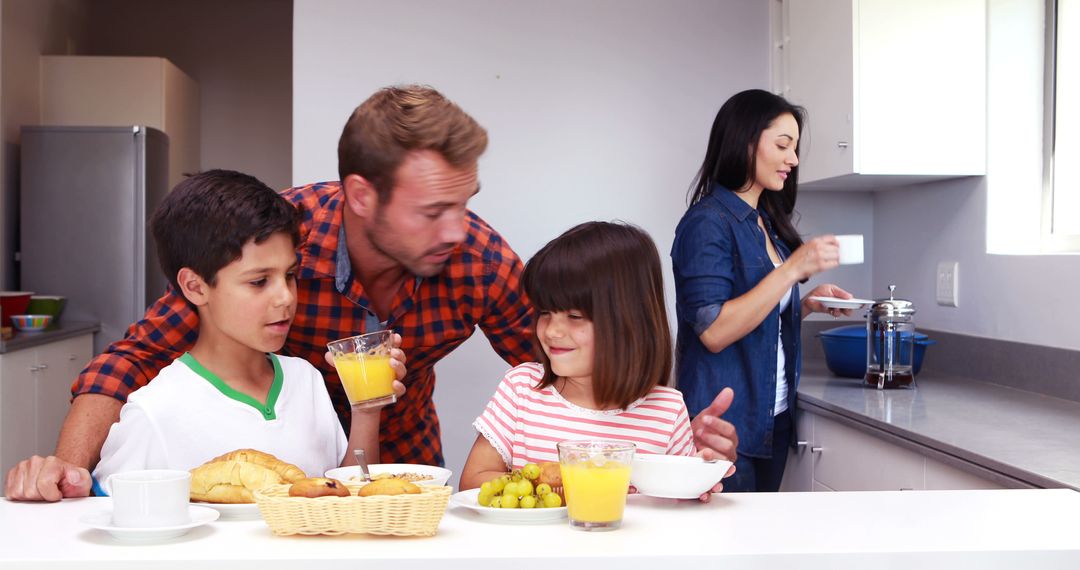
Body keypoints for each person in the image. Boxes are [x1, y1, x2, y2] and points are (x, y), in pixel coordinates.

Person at [5, 84, 737, 502]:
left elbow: (570, 371)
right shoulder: (279, 241)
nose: (461, 229)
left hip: (402, 462)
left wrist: (669, 446)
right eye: (433, 212)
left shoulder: (477, 258)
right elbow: (133, 358)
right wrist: (68, 478)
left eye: (466, 201)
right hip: (284, 449)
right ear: (361, 196)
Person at [90, 169, 406, 491]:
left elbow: (347, 497)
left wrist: (366, 411)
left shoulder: (305, 379)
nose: (285, 297)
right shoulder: (156, 411)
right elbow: (108, 514)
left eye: (290, 275)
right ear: (195, 287)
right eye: (259, 282)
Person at [460, 222, 730, 502]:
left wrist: (700, 483)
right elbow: (472, 483)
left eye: (574, 317)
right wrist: (561, 482)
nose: (552, 331)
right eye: (545, 312)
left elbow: (680, 505)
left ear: (630, 323)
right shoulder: (521, 389)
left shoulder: (667, 410)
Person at [671, 89, 853, 493]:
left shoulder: (764, 222)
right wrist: (792, 270)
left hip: (774, 418)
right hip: (724, 428)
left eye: (796, 148)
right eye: (783, 145)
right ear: (745, 141)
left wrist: (804, 305)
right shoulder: (707, 223)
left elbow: (756, 312)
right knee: (728, 552)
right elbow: (714, 331)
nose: (794, 160)